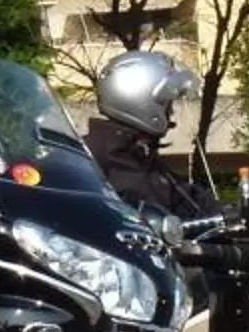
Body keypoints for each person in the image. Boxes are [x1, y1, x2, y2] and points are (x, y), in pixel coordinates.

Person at [84, 50, 216, 219]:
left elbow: (188, 201)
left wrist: (239, 213)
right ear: (144, 102)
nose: (172, 113)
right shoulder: (88, 159)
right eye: (167, 105)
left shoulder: (140, 156)